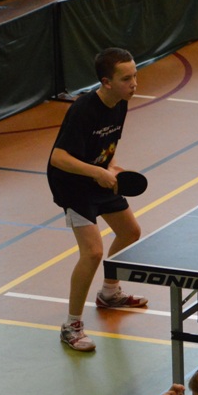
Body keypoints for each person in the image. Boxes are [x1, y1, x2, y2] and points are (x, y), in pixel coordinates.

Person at [47, 48, 149, 352]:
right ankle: (71, 325)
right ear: (106, 82)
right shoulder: (83, 109)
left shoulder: (120, 103)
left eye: (135, 76)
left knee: (130, 232)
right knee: (92, 252)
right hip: (72, 184)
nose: (134, 84)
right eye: (126, 78)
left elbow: (107, 145)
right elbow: (58, 157)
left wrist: (112, 167)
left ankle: (109, 293)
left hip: (98, 177)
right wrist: (97, 172)